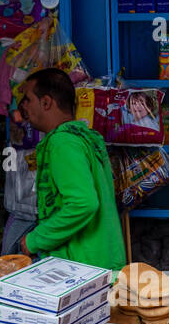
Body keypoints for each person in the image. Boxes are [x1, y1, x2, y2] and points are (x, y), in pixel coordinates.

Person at [14, 68, 126, 270]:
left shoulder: (62, 143)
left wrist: (35, 240)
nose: (23, 107)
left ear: (46, 102)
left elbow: (83, 203)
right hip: (97, 262)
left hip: (82, 268)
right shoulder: (83, 138)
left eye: (28, 99)